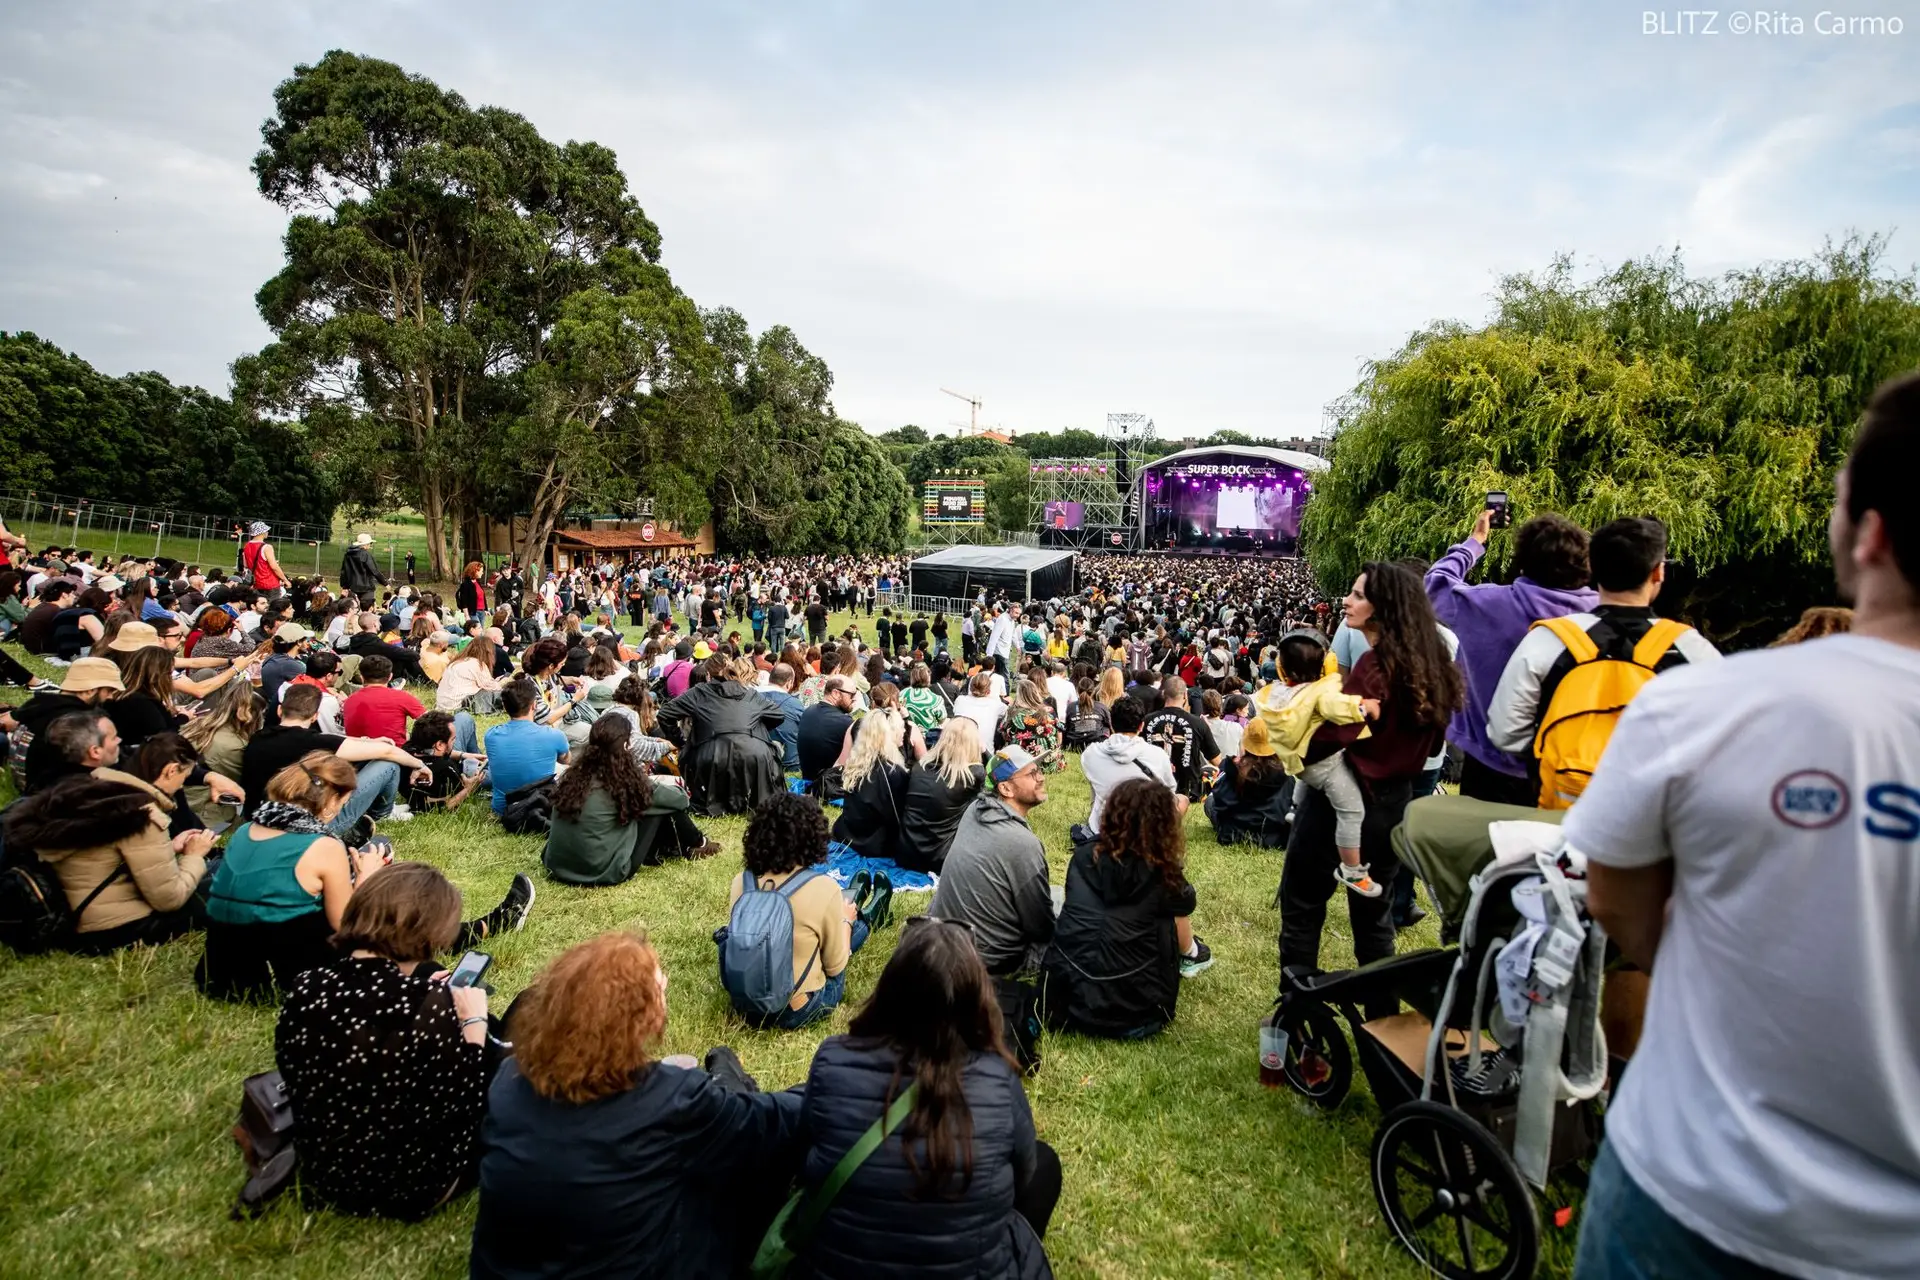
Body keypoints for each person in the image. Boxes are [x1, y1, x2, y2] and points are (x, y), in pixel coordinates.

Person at [1569, 372, 1920, 1278]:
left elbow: (1622, 908)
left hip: (1691, 1190)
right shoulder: (1690, 667)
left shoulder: (1706, 705)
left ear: (1865, 530)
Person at [470, 932, 805, 1280]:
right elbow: (774, 1122)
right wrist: (834, 1076)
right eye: (657, 987)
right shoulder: (670, 1098)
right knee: (751, 1170)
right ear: (636, 1020)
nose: (667, 983)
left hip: (505, 1270)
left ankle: (727, 1075)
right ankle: (729, 1078)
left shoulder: (510, 1078)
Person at [790, 918, 1059, 1279]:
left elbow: (806, 1152)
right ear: (977, 999)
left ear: (889, 988)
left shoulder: (833, 1059)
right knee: (1045, 1164)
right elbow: (1024, 1173)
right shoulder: (997, 1079)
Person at [273, 863, 496, 1221]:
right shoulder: (430, 1009)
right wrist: (473, 1026)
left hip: (322, 1172)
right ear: (430, 934)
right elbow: (464, 1107)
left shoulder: (306, 986)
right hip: (409, 1187)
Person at [1278, 563, 1462, 983]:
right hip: (1395, 801)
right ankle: (1382, 1013)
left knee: (1303, 903)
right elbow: (1434, 746)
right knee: (1374, 915)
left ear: (1384, 607)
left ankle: (1296, 1008)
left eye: (1359, 595)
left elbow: (1338, 733)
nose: (1347, 600)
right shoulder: (1430, 668)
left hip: (1343, 800)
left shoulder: (1374, 668)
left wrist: (1301, 746)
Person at [1486, 516, 1721, 806]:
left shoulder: (1548, 639)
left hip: (1561, 806)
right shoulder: (1692, 650)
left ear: (1593, 569)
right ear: (1658, 573)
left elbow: (1504, 733)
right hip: (1653, 817)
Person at [1423, 509, 1597, 804]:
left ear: (1522, 562)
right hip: (1571, 767)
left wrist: (1475, 541)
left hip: (1489, 764)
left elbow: (1435, 585)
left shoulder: (1486, 605)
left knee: (1485, 847)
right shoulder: (1601, 617)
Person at [3, 735, 214, 953]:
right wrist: (194, 856)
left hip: (70, 911)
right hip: (111, 929)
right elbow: (169, 899)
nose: (182, 785)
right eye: (185, 776)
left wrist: (169, 847)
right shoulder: (142, 815)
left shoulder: (92, 791)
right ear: (171, 770)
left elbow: (102, 858)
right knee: (215, 888)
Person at [1042, 778, 1207, 1039]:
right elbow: (1186, 904)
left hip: (1065, 1003)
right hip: (1135, 1016)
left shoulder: (1083, 856)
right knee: (1170, 915)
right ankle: (1193, 955)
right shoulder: (1163, 873)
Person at [725, 792, 869, 1029]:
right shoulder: (824, 888)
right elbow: (835, 965)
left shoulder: (742, 882)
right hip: (797, 1009)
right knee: (856, 926)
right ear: (814, 837)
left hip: (746, 1006)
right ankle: (861, 915)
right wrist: (845, 923)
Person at [1252, 630, 1382, 894]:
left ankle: (1296, 806)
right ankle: (1352, 870)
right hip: (1325, 765)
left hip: (1297, 760)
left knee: (1306, 778)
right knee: (1351, 810)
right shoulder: (1322, 692)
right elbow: (1340, 709)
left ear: (1280, 666)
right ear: (1328, 664)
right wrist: (1365, 705)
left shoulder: (1276, 693)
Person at [544, 716, 719, 884]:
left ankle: (683, 845)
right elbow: (680, 800)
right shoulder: (625, 783)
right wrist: (651, 782)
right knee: (663, 805)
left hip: (556, 866)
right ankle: (699, 842)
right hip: (604, 871)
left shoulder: (572, 779)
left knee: (647, 804)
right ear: (627, 746)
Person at [239, 684, 433, 836]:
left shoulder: (258, 737)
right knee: (388, 764)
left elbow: (333, 740)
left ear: (280, 711)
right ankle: (383, 814)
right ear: (314, 716)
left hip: (257, 820)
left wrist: (368, 741)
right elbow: (388, 752)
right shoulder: (311, 742)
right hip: (309, 825)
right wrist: (420, 764)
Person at [929, 748, 1053, 983]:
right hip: (990, 961)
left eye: (1039, 770)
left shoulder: (975, 809)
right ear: (1006, 788)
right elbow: (1040, 926)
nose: (1041, 777)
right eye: (1031, 773)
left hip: (944, 942)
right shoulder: (1023, 844)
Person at [654, 656, 785, 817]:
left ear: (708, 675)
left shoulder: (700, 693)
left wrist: (680, 742)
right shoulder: (750, 694)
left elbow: (664, 714)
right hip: (750, 754)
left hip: (711, 755)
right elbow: (778, 715)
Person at [896, 716, 986, 874]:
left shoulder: (920, 768)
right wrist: (985, 752)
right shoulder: (973, 775)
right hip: (940, 859)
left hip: (906, 853)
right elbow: (1000, 785)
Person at [1079, 695, 1178, 836]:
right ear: (1141, 725)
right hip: (1145, 830)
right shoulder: (1158, 755)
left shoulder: (1091, 753)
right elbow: (1170, 793)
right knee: (1182, 800)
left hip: (1103, 828)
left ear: (1111, 724)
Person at [830, 710, 912, 862]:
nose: (904, 730)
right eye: (901, 727)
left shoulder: (858, 762)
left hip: (848, 835)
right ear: (889, 733)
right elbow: (900, 818)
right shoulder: (892, 773)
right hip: (874, 845)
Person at [1203, 717, 1295, 849]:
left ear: (1245, 742)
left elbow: (1220, 802)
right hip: (1272, 836)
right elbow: (1289, 808)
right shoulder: (1286, 775)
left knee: (1209, 802)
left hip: (1233, 832)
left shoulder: (1231, 769)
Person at [484, 678, 571, 816]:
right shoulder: (554, 735)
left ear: (505, 707)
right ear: (534, 705)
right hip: (541, 806)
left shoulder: (491, 735)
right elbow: (566, 760)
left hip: (503, 809)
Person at [1141, 676, 1219, 800]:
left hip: (1153, 786)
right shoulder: (1198, 723)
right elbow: (1216, 760)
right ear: (1185, 696)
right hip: (1188, 790)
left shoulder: (1147, 720)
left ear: (1163, 694)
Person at [340, 653, 426, 746]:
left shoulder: (349, 700)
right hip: (394, 752)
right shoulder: (403, 697)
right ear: (390, 676)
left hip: (357, 753)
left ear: (361, 677)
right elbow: (431, 722)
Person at [797, 674, 857, 784]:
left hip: (809, 780)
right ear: (835, 693)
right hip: (830, 786)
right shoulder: (845, 723)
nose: (855, 698)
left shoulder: (809, 711)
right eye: (852, 694)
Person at [997, 676, 1063, 774]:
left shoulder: (1013, 714)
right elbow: (1059, 732)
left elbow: (1005, 735)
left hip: (1020, 764)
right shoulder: (1048, 711)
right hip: (1051, 763)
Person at [758, 662, 806, 770]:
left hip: (755, 759)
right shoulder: (795, 704)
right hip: (789, 764)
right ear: (789, 683)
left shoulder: (749, 696)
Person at [951, 670, 1006, 750]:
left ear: (970, 687)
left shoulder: (960, 700)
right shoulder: (997, 705)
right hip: (983, 753)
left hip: (959, 749)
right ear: (989, 691)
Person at [240, 521, 285, 595]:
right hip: (270, 584)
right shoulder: (267, 547)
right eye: (266, 530)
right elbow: (274, 567)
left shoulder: (247, 545)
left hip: (256, 583)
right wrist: (285, 580)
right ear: (262, 532)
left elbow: (246, 565)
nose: (267, 532)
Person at [339, 532, 386, 599]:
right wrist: (385, 583)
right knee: (366, 607)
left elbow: (344, 571)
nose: (370, 545)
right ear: (365, 544)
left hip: (352, 587)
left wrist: (344, 586)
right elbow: (374, 570)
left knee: (354, 607)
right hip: (366, 587)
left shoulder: (348, 555)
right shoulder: (366, 555)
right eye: (370, 543)